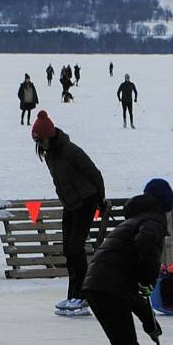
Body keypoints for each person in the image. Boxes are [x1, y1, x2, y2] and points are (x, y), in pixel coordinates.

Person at [83, 178, 173, 345]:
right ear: (166, 204)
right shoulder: (153, 222)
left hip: (101, 285)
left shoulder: (134, 219)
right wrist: (148, 278)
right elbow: (144, 254)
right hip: (107, 288)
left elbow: (132, 286)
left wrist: (149, 322)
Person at [31, 110, 105, 316]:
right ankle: (73, 295)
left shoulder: (70, 150)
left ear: (50, 135)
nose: (40, 145)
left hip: (86, 201)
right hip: (71, 203)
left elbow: (94, 173)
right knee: (68, 250)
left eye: (42, 140)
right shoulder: (50, 154)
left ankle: (83, 297)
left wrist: (101, 199)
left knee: (75, 248)